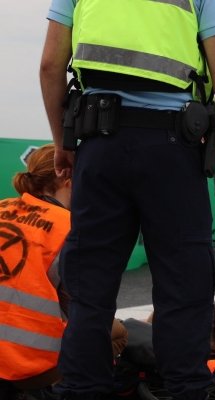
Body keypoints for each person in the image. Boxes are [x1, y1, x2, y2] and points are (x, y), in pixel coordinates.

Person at [39, 1, 215, 398]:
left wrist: (63, 142)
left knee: (90, 286)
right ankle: (186, 390)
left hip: (100, 146)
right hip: (172, 151)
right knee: (183, 286)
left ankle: (84, 389)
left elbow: (50, 66)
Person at [0, 145, 128, 397]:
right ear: (68, 179)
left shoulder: (3, 207)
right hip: (26, 363)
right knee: (117, 333)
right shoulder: (71, 227)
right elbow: (85, 311)